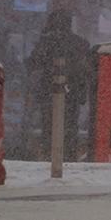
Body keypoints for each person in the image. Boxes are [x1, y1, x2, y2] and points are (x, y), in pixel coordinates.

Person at [26, 10, 92, 162]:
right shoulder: (80, 43)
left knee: (49, 126)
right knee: (69, 127)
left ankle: (51, 156)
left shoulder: (46, 42)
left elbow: (32, 64)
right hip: (72, 94)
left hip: (49, 92)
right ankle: (67, 157)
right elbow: (86, 71)